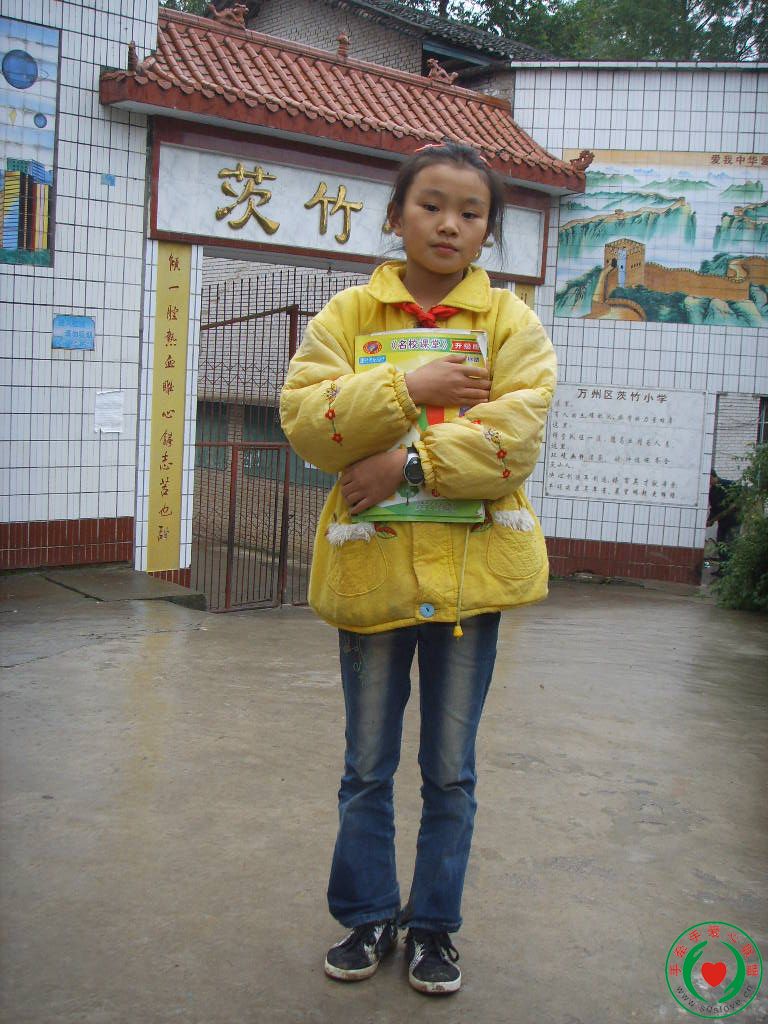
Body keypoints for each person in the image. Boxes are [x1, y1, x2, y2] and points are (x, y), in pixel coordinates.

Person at [279, 141, 556, 995]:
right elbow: (306, 420)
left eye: (471, 212)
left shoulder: (509, 323)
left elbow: (516, 439)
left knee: (450, 771)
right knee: (368, 766)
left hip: (470, 585)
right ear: (396, 215)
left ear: (488, 232)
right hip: (375, 576)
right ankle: (368, 917)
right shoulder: (349, 316)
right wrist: (413, 386)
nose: (448, 224)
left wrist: (403, 463)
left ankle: (433, 927)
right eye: (430, 204)